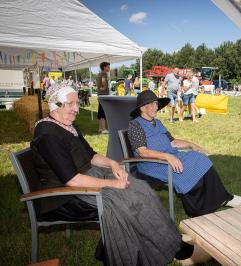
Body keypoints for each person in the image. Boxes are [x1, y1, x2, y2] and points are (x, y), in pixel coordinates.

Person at [30, 83, 194, 265]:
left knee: (141, 188)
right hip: (64, 196)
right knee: (129, 200)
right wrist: (113, 184)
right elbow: (72, 180)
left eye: (77, 103)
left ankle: (170, 242)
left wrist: (113, 163)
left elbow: (90, 156)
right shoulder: (47, 135)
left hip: (86, 179)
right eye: (71, 104)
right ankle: (144, 254)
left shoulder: (66, 126)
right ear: (55, 105)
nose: (76, 109)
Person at [127, 90, 241, 217]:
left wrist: (192, 145)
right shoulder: (135, 125)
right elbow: (142, 152)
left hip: (170, 156)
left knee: (200, 158)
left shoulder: (158, 123)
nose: (156, 107)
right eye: (153, 104)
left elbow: (172, 142)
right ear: (143, 108)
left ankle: (222, 197)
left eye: (156, 104)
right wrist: (167, 157)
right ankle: (198, 209)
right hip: (152, 164)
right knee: (183, 170)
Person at [96, 62, 110, 134]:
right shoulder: (104, 74)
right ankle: (104, 129)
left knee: (100, 112)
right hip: (103, 95)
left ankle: (100, 128)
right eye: (108, 67)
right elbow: (104, 82)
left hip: (100, 95)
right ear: (104, 67)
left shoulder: (99, 73)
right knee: (103, 112)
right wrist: (104, 87)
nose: (109, 68)